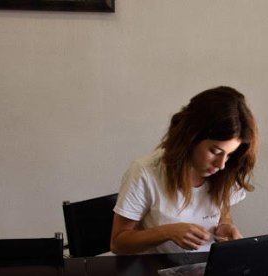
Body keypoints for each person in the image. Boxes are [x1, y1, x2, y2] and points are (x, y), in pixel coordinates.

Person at [110, 86, 258, 254]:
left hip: (205, 267)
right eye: (215, 151)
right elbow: (118, 243)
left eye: (229, 155)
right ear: (191, 136)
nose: (221, 164)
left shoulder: (224, 173)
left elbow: (222, 214)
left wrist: (225, 226)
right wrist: (168, 232)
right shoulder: (145, 172)